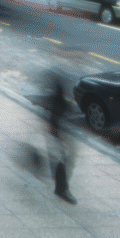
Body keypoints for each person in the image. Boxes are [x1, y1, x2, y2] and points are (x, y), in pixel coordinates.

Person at [45, 69, 77, 204]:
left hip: (59, 130)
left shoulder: (60, 94)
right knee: (61, 159)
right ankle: (61, 189)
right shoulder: (58, 96)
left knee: (64, 157)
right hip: (57, 131)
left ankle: (61, 186)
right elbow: (55, 113)